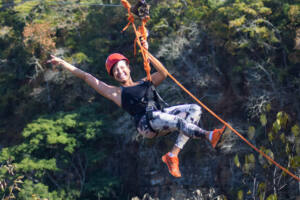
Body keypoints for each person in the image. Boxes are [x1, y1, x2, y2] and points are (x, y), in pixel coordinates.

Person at [47, 40, 225, 178]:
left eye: (122, 67)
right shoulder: (117, 93)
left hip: (160, 116)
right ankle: (209, 135)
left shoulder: (145, 82)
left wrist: (146, 53)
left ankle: (173, 155)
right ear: (114, 76)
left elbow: (164, 73)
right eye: (116, 71)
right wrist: (63, 63)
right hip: (145, 124)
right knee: (176, 121)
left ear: (128, 68)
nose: (120, 72)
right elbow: (87, 77)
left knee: (194, 109)